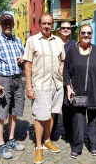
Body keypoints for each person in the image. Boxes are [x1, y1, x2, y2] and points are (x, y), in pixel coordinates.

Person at [24, 13, 65, 164]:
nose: (47, 26)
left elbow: (63, 60)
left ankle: (47, 139)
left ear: (52, 25)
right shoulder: (32, 41)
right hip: (41, 84)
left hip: (57, 84)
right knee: (40, 116)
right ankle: (38, 147)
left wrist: (60, 73)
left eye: (49, 23)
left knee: (52, 114)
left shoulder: (59, 41)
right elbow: (28, 65)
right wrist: (29, 87)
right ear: (40, 24)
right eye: (44, 23)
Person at [0, 13, 25, 159]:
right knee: (1, 113)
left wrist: (23, 58)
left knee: (14, 111)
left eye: (10, 22)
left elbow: (23, 57)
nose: (7, 25)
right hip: (2, 80)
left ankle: (11, 139)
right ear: (0, 24)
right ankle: (1, 144)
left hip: (17, 79)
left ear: (13, 24)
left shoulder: (18, 41)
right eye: (5, 23)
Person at [63, 24, 96, 159]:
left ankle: (94, 145)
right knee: (78, 121)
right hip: (77, 92)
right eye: (84, 33)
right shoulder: (72, 51)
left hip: (94, 91)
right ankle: (77, 146)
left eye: (89, 33)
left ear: (92, 35)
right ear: (79, 34)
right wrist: (68, 87)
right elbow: (66, 71)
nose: (86, 35)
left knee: (93, 120)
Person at [51, 20, 77, 141]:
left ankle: (70, 134)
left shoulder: (75, 44)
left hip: (69, 81)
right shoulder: (53, 43)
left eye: (68, 28)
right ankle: (50, 134)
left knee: (68, 109)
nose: (65, 30)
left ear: (70, 30)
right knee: (54, 109)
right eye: (63, 28)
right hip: (55, 80)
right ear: (59, 30)